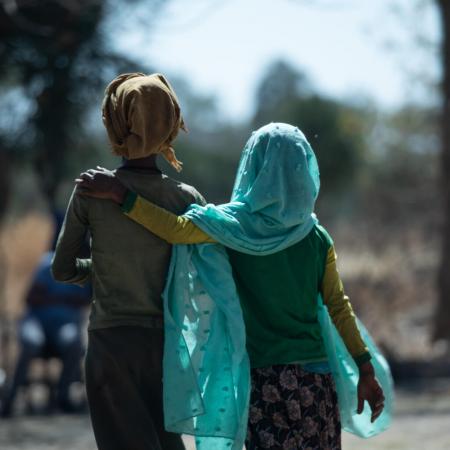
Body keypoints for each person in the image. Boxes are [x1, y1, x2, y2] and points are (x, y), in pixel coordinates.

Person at [77, 122, 386, 450]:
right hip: (315, 380)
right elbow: (338, 306)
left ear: (253, 167)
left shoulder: (233, 228)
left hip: (265, 384)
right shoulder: (314, 237)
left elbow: (175, 230)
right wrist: (365, 369)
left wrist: (122, 195)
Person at [52, 72, 207, 450]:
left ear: (114, 123)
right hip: (167, 349)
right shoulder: (187, 199)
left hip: (110, 347)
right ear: (170, 124)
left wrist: (102, 267)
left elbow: (63, 269)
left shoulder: (92, 191)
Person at [1, 250, 90, 417]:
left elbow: (85, 300)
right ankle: (10, 399)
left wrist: (55, 298)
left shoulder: (86, 268)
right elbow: (33, 297)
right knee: (31, 342)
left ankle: (63, 397)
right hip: (37, 322)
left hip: (64, 326)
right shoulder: (49, 262)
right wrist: (63, 300)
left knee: (74, 342)